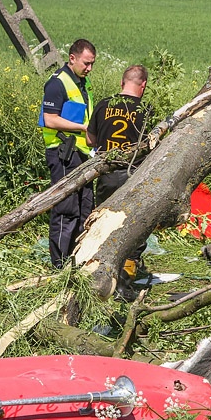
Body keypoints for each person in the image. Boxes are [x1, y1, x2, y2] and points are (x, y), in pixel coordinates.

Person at [87, 64, 152, 292]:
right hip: (133, 175)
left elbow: (90, 140)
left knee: (104, 226)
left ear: (122, 83)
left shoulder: (104, 104)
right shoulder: (145, 108)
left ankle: (101, 276)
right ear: (142, 86)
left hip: (106, 176)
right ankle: (124, 284)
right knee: (134, 226)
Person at [39, 39, 96, 269]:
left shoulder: (83, 82)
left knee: (85, 208)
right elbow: (50, 119)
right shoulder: (57, 83)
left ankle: (78, 259)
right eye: (86, 63)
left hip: (82, 152)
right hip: (63, 153)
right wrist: (85, 129)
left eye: (92, 64)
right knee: (66, 210)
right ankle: (60, 265)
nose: (89, 68)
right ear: (72, 58)